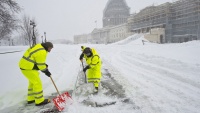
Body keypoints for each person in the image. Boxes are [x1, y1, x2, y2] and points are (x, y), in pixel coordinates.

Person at [18, 42, 53, 106]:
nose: (50, 50)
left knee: (32, 82)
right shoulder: (42, 51)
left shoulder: (39, 46)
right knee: (37, 83)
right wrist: (46, 71)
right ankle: (39, 101)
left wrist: (44, 65)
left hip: (25, 65)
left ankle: (31, 98)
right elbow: (40, 65)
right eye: (50, 48)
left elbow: (36, 59)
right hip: (28, 67)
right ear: (47, 47)